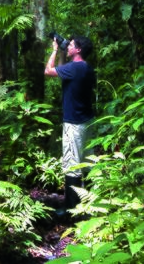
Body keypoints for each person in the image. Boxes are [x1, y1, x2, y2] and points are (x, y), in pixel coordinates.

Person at [44, 35, 96, 212]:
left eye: (71, 45)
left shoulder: (74, 68)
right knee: (88, 162)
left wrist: (54, 50)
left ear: (78, 50)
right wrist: (64, 52)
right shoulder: (87, 68)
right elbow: (64, 72)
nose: (69, 46)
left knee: (72, 164)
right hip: (88, 122)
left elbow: (48, 70)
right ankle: (89, 203)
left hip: (74, 124)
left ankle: (71, 208)